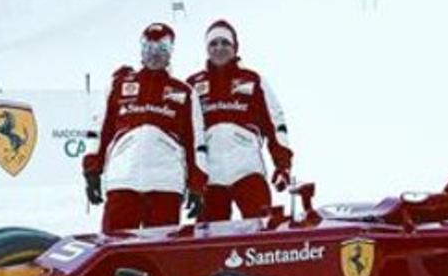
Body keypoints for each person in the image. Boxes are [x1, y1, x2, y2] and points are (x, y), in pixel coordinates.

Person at [82, 23, 208, 232]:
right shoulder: (120, 86)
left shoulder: (184, 92)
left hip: (165, 185)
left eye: (162, 49)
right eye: (149, 48)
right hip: (123, 181)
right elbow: (100, 131)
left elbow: (196, 142)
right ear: (141, 50)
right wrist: (92, 171)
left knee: (160, 256)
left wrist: (197, 186)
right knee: (114, 249)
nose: (155, 55)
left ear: (170, 52)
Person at [186, 20, 293, 222]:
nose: (219, 48)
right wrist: (189, 180)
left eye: (225, 43)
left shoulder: (253, 79)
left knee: (262, 231)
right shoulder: (193, 85)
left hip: (248, 170)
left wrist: (283, 165)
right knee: (209, 243)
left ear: (235, 47)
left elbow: (276, 123)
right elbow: (183, 134)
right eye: (213, 44)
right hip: (210, 176)